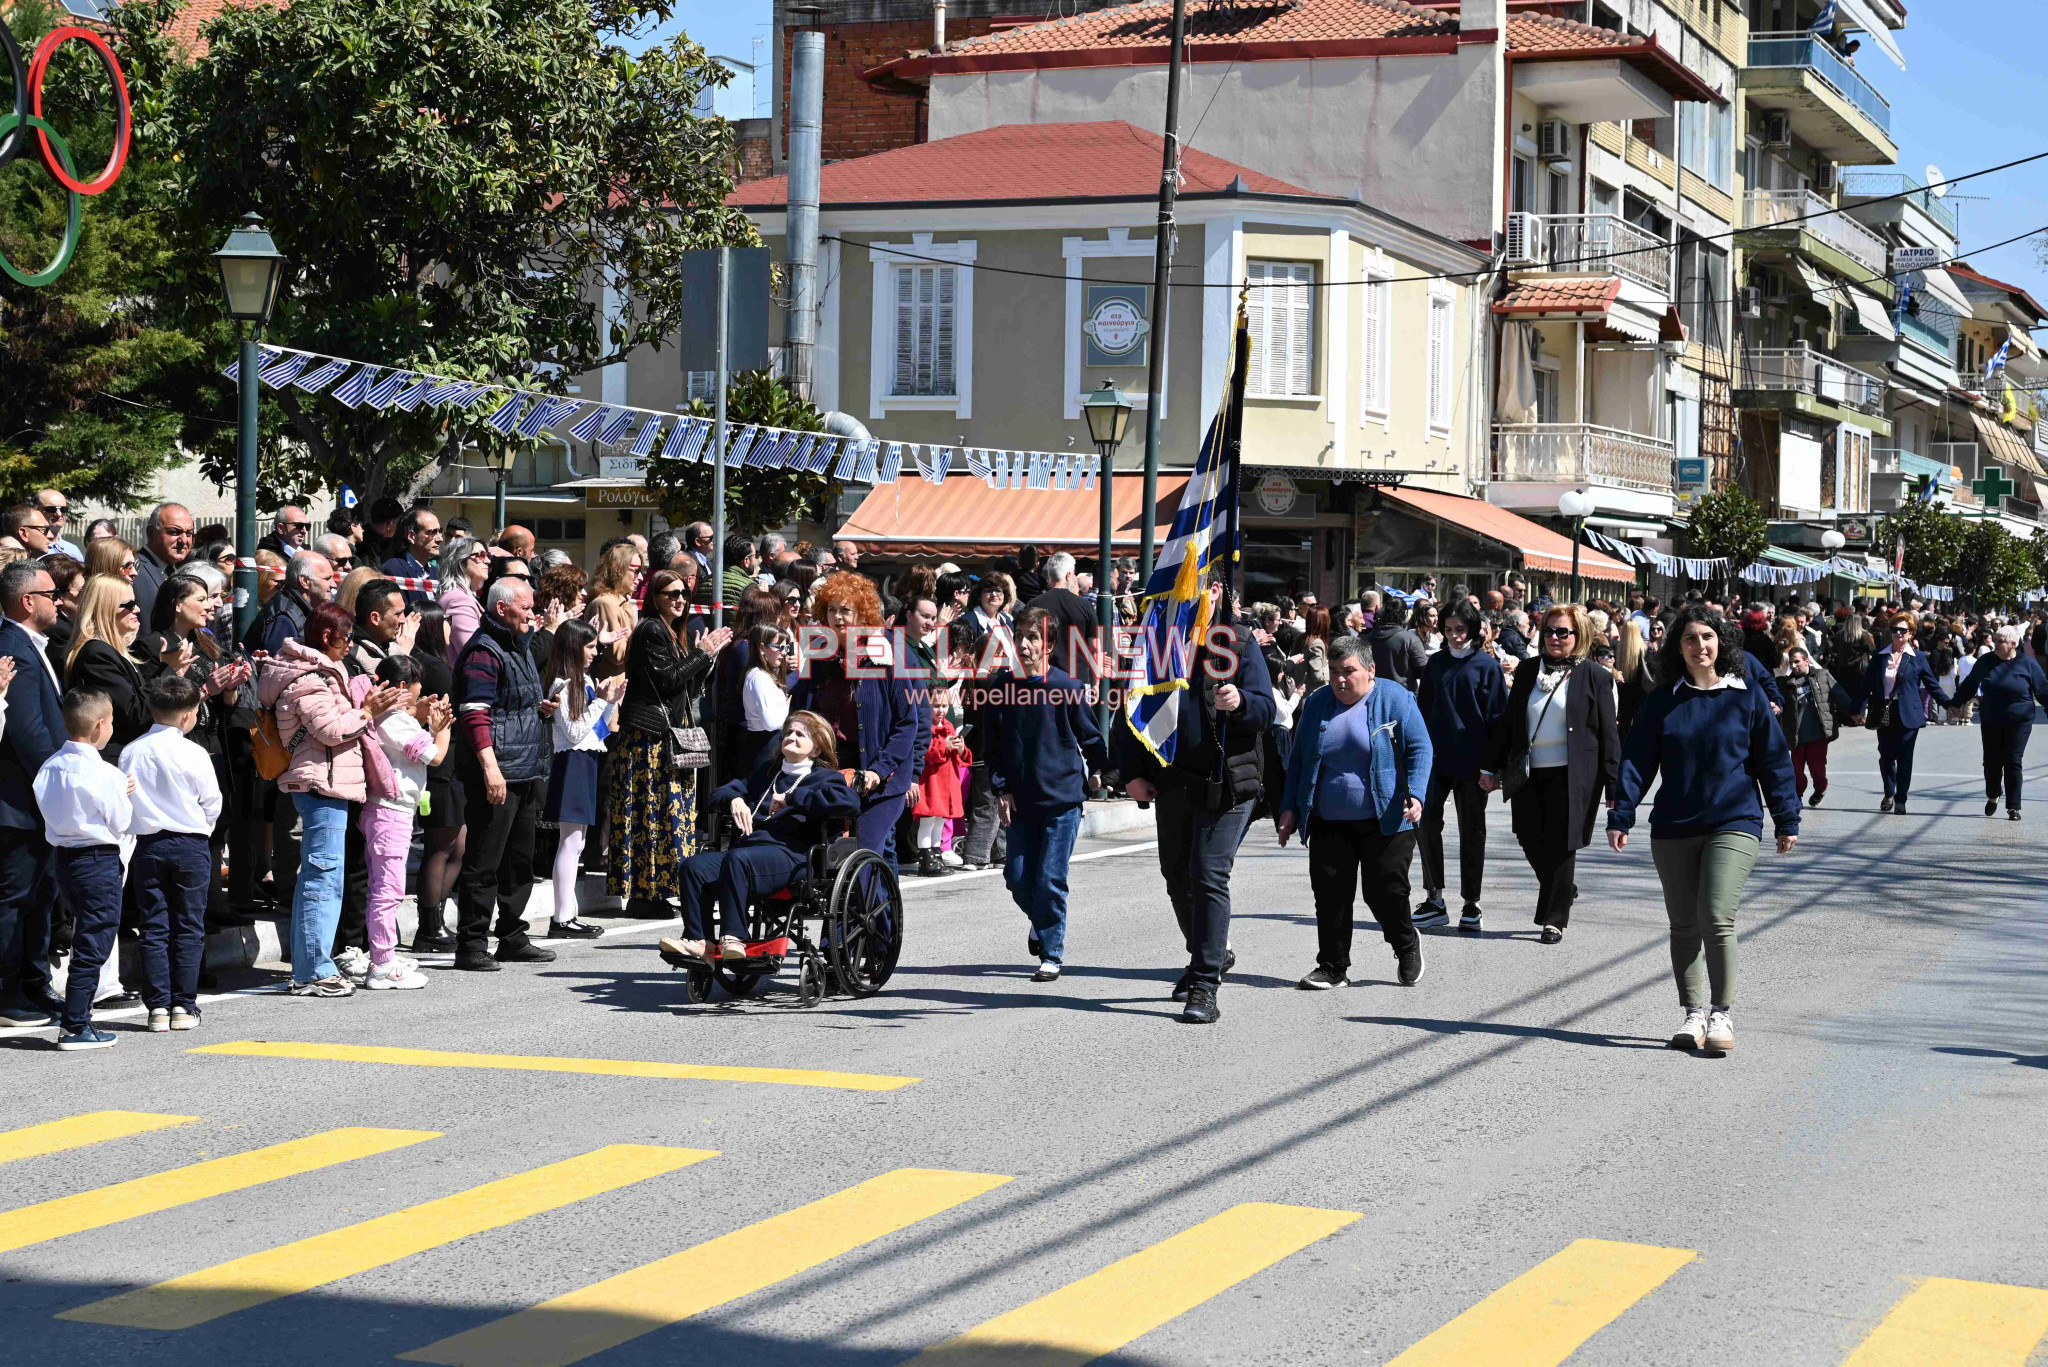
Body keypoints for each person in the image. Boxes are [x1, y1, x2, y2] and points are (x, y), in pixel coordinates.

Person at [1608, 605, 1800, 1054]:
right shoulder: (1663, 701)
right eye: (1690, 639)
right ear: (1679, 647)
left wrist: (1785, 816)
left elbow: (1773, 761)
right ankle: (1693, 1014)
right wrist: (1622, 814)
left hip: (1734, 821)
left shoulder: (1746, 696)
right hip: (1674, 823)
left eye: (1708, 637)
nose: (1700, 646)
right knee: (1683, 923)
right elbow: (1637, 761)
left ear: (1722, 643)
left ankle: (1721, 1014)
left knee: (1715, 915)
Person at [1114, 576, 1275, 1024]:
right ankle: (1210, 951)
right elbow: (1130, 708)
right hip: (1173, 779)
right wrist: (1130, 772)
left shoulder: (1237, 641)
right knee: (1177, 874)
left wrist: (1240, 699)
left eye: (1198, 587)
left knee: (1208, 873)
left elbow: (1266, 710)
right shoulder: (1156, 645)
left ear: (1217, 592)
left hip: (1228, 782)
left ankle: (1205, 983)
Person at [257, 601, 405, 997]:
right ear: (327, 637)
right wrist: (367, 712)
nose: (350, 644)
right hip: (320, 786)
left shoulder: (319, 673)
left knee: (323, 879)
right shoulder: (307, 679)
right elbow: (330, 729)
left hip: (329, 785)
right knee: (321, 881)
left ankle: (312, 967)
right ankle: (313, 971)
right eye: (347, 638)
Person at [1279, 635, 1433, 990]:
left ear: (1370, 670)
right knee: (1330, 893)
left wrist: (1417, 795)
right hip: (1329, 819)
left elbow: (1421, 749)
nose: (1340, 680)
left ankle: (1405, 944)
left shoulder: (1395, 699)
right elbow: (1300, 759)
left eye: (1348, 671)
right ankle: (1333, 966)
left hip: (1387, 816)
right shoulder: (1318, 703)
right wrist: (1289, 808)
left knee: (1384, 891)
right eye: (1334, 672)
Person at [663, 711, 859, 962]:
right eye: (788, 732)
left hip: (791, 855)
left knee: (738, 859)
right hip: (747, 852)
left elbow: (849, 804)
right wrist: (734, 799)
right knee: (693, 867)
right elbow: (717, 794)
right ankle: (700, 942)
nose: (791, 737)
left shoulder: (824, 778)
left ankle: (733, 938)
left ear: (817, 749)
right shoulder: (766, 774)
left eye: (801, 734)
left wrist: (793, 799)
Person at [984, 606, 1107, 983]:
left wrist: (1099, 771)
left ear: (1049, 645)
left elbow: (1090, 736)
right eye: (1019, 636)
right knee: (1017, 877)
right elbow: (993, 746)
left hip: (1063, 801)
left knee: (1050, 878)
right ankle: (1041, 921)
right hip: (1021, 802)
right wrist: (1002, 788)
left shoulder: (1067, 688)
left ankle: (1052, 953)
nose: (1024, 644)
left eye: (1034, 637)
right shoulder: (1001, 688)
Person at [1495, 603, 1619, 945]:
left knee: (1562, 845)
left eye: (1563, 632)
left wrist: (1613, 787)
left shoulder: (1596, 675)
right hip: (1528, 772)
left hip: (1574, 774)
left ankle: (1554, 920)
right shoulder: (1527, 671)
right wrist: (1490, 767)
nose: (1554, 638)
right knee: (1529, 837)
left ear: (1578, 636)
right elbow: (1508, 722)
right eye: (1548, 631)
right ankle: (1564, 888)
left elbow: (1609, 733)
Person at [452, 579, 558, 970]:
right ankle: (472, 944)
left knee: (519, 859)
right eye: (526, 607)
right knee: (484, 859)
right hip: (497, 772)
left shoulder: (520, 645)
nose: (533, 614)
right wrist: (490, 769)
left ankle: (512, 936)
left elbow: (507, 705)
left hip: (525, 769)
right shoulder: (484, 650)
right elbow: (474, 713)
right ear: (501, 609)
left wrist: (539, 708)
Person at [611, 570, 730, 915]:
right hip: (647, 740)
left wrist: (704, 660)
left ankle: (658, 890)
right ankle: (644, 895)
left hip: (663, 739)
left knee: (666, 817)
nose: (680, 599)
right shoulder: (650, 629)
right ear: (654, 597)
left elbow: (683, 689)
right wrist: (702, 654)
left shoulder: (671, 632)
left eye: (684, 594)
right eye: (671, 593)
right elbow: (667, 681)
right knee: (651, 815)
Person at [789, 572, 921, 856]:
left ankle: (876, 895)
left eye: (846, 610)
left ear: (862, 615)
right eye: (832, 610)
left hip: (881, 776)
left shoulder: (884, 657)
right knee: (821, 855)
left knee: (863, 851)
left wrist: (879, 770)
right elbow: (799, 714)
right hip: (833, 772)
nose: (838, 617)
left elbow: (907, 723)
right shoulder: (818, 659)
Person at [119, 674, 223, 1033]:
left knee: (154, 927)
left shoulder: (131, 750)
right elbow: (212, 802)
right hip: (191, 843)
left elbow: (124, 798)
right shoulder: (194, 752)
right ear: (187, 715)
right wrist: (200, 829)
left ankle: (157, 1009)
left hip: (148, 845)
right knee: (189, 926)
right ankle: (184, 1006)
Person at [34, 688, 133, 1049]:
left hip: (64, 858)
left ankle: (76, 1020)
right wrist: (125, 793)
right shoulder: (104, 772)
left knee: (85, 938)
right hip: (97, 859)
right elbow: (121, 822)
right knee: (94, 943)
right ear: (99, 726)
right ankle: (75, 1025)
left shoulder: (50, 765)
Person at [1415, 600, 1507, 932]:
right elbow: (1421, 714)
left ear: (1473, 630)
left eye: (1461, 630)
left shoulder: (1487, 666)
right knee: (1425, 824)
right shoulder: (1435, 665)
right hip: (1435, 761)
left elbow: (1498, 720)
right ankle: (1434, 897)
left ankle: (1472, 902)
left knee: (1472, 831)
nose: (1455, 636)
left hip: (1473, 762)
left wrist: (1490, 768)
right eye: (1449, 630)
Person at [361, 653, 449, 988]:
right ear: (402, 686)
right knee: (388, 890)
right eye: (416, 686)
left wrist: (419, 713)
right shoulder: (393, 722)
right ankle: (382, 965)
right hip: (389, 811)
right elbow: (435, 755)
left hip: (390, 810)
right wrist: (440, 729)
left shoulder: (395, 717)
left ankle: (384, 957)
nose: (420, 692)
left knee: (385, 888)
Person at [0, 562, 61, 1024]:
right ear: (27, 601)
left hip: (36, 805)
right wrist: (57, 784)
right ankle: (8, 993)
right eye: (51, 593)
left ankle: (33, 985)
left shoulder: (31, 645)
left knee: (40, 897)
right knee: (15, 899)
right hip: (20, 803)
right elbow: (27, 732)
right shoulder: (12, 647)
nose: (58, 600)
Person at [543, 620, 622, 939]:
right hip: (571, 763)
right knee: (571, 841)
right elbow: (575, 733)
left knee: (578, 842)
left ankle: (568, 913)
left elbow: (596, 731)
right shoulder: (562, 684)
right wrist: (602, 701)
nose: (594, 652)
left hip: (585, 761)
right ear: (574, 648)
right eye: (589, 647)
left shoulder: (584, 680)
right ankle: (561, 918)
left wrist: (610, 701)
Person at [1856, 611, 1954, 815]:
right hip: (1884, 712)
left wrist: (1948, 704)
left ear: (1911, 634)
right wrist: (1855, 709)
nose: (1898, 634)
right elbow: (1865, 686)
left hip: (1909, 713)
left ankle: (1900, 799)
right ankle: (1889, 792)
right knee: (1885, 756)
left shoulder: (1917, 658)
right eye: (1895, 630)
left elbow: (1932, 684)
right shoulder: (1880, 656)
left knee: (1905, 757)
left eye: (1903, 630)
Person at [1950, 624, 2048, 820]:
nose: (1996, 644)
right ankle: (1993, 795)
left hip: (2020, 719)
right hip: (1992, 718)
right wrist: (1955, 703)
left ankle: (2013, 807)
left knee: (2013, 760)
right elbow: (1970, 684)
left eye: (2001, 641)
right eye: (1995, 640)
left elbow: (2043, 690)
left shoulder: (2028, 663)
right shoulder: (1986, 661)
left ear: (2014, 644)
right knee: (1992, 761)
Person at [408, 602, 462, 952]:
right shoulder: (431, 666)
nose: (450, 626)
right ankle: (428, 925)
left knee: (456, 844)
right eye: (445, 621)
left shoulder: (437, 662)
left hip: (451, 761)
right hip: (439, 763)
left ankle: (436, 920)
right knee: (441, 844)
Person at [65, 576, 153, 762]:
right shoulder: (96, 653)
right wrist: (171, 671)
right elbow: (133, 714)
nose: (136, 609)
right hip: (115, 762)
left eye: (136, 603)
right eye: (128, 605)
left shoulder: (110, 649)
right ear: (105, 608)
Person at [1777, 641, 1853, 808]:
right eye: (1791, 662)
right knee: (1796, 771)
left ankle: (1820, 788)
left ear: (1807, 661)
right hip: (1796, 736)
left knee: (1817, 770)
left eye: (1797, 661)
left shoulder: (1822, 676)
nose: (1794, 665)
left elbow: (1839, 694)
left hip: (1817, 734)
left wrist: (1853, 711)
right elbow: (1778, 703)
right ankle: (1797, 797)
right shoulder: (1785, 684)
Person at [913, 704, 972, 879]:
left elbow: (961, 758)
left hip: (946, 781)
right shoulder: (923, 726)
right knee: (928, 821)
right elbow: (924, 753)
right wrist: (944, 745)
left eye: (944, 706)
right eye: (936, 706)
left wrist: (960, 748)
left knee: (939, 820)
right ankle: (926, 858)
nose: (941, 710)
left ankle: (936, 854)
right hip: (931, 781)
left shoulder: (949, 726)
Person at [738, 623, 794, 780]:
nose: (783, 653)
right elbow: (771, 723)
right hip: (763, 746)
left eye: (785, 647)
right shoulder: (759, 677)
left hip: (766, 744)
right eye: (779, 647)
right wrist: (786, 709)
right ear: (762, 648)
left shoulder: (764, 674)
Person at [131, 502, 197, 627]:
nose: (184, 540)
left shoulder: (181, 571)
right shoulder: (133, 569)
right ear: (151, 532)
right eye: (174, 532)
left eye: (189, 533)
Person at [436, 535, 490, 664]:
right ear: (460, 560)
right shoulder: (459, 600)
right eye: (481, 555)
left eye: (487, 555)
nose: (488, 560)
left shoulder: (459, 596)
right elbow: (473, 654)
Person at [382, 506, 444, 605]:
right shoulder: (392, 571)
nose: (440, 539)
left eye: (440, 531)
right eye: (432, 532)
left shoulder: (436, 572)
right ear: (411, 536)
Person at [1366, 597, 1429, 691]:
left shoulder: (1367, 638)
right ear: (1405, 613)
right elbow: (1423, 671)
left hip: (1374, 693)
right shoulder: (1410, 639)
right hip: (1404, 695)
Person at [35, 490, 83, 560]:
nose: (59, 514)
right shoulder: (30, 550)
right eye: (52, 509)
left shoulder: (73, 551)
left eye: (63, 509)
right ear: (37, 510)